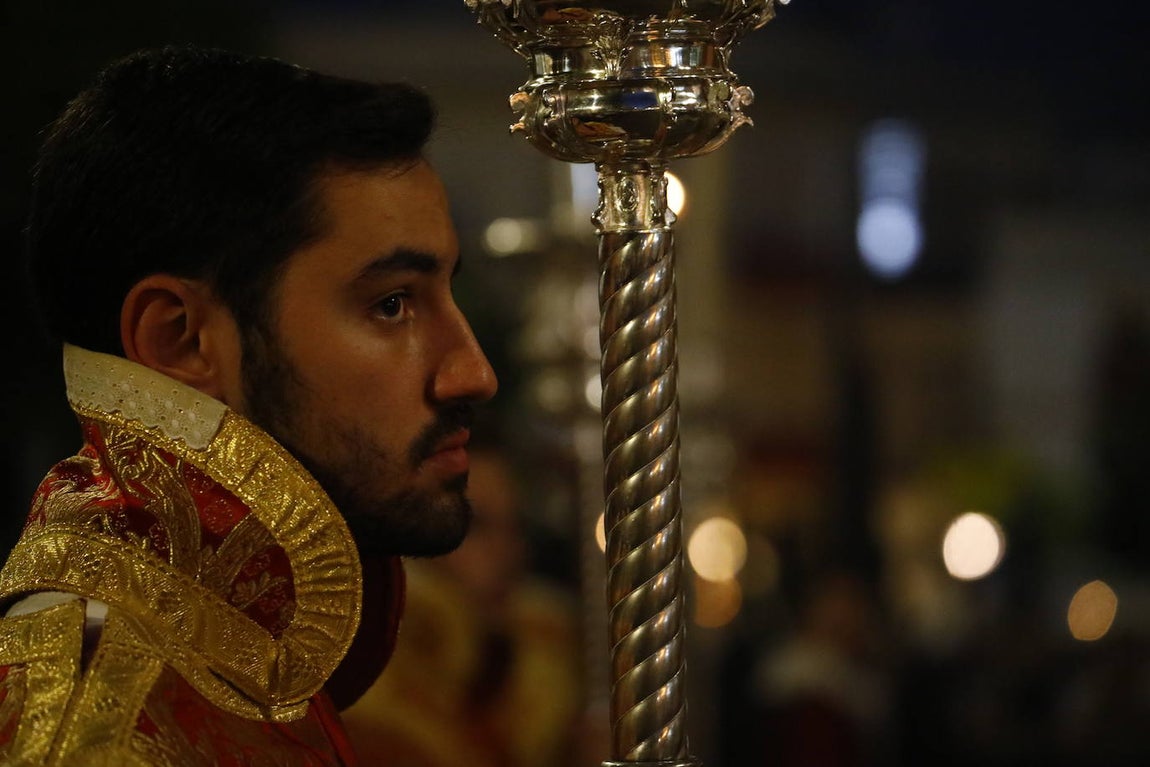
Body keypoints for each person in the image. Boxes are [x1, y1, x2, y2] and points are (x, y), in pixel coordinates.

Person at [0, 45, 497, 765]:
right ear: (180, 340)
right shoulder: (94, 723)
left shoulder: (226, 666)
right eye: (392, 304)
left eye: (446, 290)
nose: (472, 372)